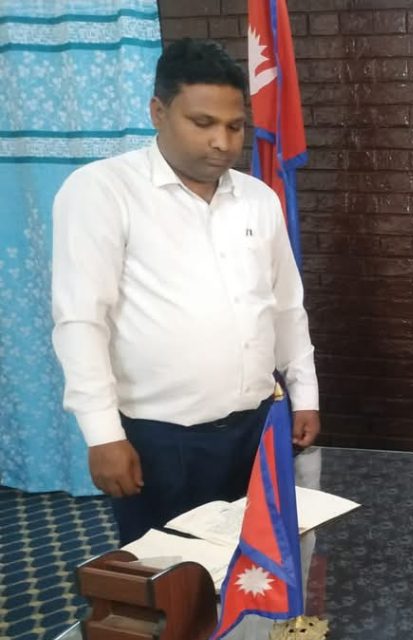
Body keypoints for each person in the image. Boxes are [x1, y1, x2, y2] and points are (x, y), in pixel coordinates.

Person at [51, 39, 320, 543]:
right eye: (203, 123)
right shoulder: (102, 191)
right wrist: (102, 434)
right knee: (171, 569)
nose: (222, 141)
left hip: (257, 426)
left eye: (235, 126)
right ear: (158, 112)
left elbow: (285, 306)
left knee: (257, 560)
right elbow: (81, 320)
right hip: (161, 439)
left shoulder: (258, 199)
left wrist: (305, 394)